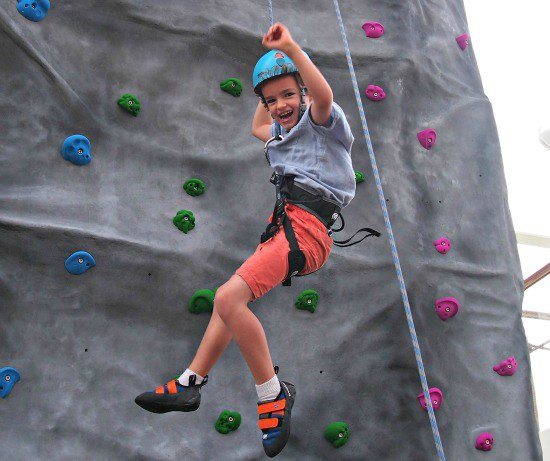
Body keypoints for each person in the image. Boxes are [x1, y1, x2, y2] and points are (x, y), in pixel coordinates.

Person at [134, 22, 356, 458]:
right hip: (286, 227)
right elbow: (258, 126)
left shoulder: (320, 123)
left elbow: (324, 95)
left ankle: (272, 394)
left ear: (303, 92)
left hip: (306, 230)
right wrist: (266, 86)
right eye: (272, 100)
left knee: (228, 297)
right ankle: (190, 382)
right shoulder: (281, 135)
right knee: (227, 303)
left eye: (288, 95)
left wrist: (289, 49)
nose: (280, 106)